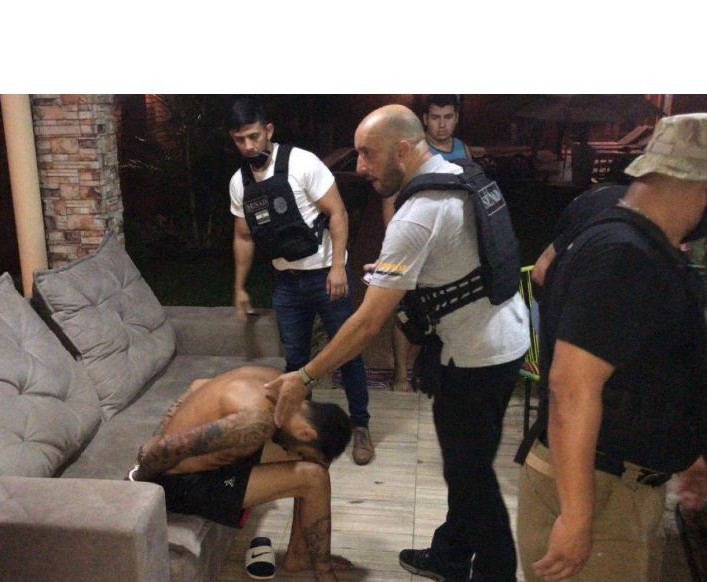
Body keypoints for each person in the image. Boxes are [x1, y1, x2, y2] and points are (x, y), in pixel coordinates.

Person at [264, 104, 530, 582]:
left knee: (472, 479)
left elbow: (367, 324)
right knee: (467, 467)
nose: (360, 166)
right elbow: (457, 257)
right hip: (502, 337)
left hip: (476, 357)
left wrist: (304, 376)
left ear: (403, 150)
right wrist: (400, 273)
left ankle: (497, 574)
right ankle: (451, 555)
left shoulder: (418, 215)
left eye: (368, 153)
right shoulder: (458, 174)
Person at [515, 113, 707, 582]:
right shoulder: (625, 255)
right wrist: (577, 516)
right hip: (600, 492)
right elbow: (571, 387)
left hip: (615, 487)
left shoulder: (625, 239)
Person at [226, 96, 373, 465]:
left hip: (326, 275)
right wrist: (240, 286)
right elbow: (243, 236)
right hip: (287, 282)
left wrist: (337, 267)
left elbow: (337, 213)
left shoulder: (302, 163)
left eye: (254, 136)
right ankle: (303, 430)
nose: (249, 146)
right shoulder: (240, 183)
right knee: (295, 361)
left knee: (347, 353)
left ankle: (360, 425)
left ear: (268, 130)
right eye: (240, 140)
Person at [127, 366, 354, 582]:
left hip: (216, 461)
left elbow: (198, 385)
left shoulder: (279, 383)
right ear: (306, 433)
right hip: (179, 483)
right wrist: (137, 482)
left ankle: (298, 554)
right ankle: (323, 572)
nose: (294, 453)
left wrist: (161, 431)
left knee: (314, 464)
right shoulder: (255, 424)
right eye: (301, 449)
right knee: (313, 477)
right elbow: (167, 449)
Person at [382, 95, 474, 391]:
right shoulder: (416, 151)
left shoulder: (462, 150)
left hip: (451, 245)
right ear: (425, 119)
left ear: (456, 118)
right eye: (435, 117)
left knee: (445, 307)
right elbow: (391, 198)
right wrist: (395, 239)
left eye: (448, 117)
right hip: (416, 241)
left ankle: (433, 370)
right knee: (407, 310)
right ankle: (400, 375)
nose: (442, 124)